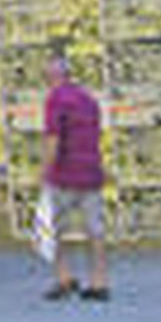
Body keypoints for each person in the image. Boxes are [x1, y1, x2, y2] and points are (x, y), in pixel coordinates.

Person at [41, 53, 109, 302]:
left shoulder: (55, 99)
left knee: (56, 229)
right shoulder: (89, 99)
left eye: (47, 75)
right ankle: (99, 282)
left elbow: (53, 139)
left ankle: (64, 278)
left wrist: (45, 171)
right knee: (95, 230)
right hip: (91, 172)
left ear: (53, 76)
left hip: (64, 173)